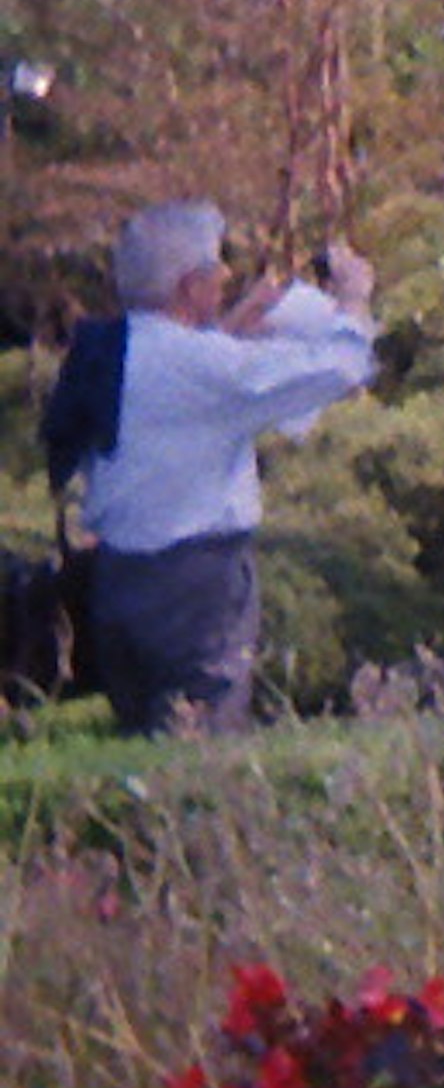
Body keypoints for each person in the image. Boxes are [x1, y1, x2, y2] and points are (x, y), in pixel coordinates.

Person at [67, 199, 378, 737]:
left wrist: (233, 329)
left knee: (142, 756)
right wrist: (353, 301)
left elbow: (180, 387)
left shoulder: (109, 350)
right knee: (202, 755)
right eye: (216, 269)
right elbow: (338, 368)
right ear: (189, 286)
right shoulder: (203, 366)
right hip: (196, 588)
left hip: (117, 583)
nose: (227, 278)